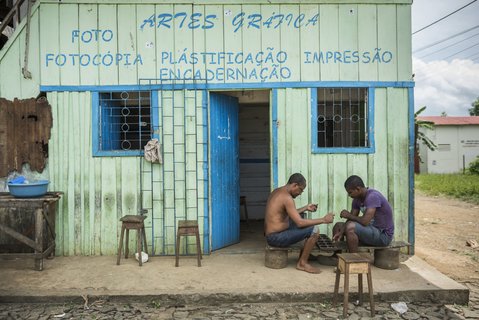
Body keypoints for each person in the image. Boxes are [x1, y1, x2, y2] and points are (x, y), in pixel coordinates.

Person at [264, 173, 335, 274]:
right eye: (301, 189)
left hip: (274, 233)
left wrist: (306, 207)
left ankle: (305, 255)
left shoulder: (278, 191)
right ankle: (302, 263)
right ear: (295, 185)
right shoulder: (287, 197)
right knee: (314, 230)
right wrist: (324, 219)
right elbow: (300, 223)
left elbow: (287, 213)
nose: (300, 193)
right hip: (275, 238)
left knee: (305, 219)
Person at [332, 175, 394, 253]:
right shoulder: (357, 199)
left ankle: (353, 259)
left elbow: (365, 221)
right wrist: (341, 231)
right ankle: (336, 256)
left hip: (383, 235)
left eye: (350, 192)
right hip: (370, 230)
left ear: (358, 189)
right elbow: (351, 218)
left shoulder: (372, 196)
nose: (349, 195)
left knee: (350, 227)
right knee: (338, 226)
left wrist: (348, 215)